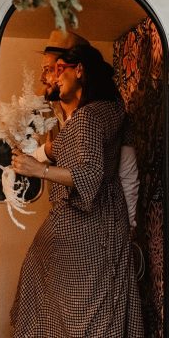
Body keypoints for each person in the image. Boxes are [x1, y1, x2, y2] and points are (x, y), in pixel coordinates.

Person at [8, 44, 151, 338]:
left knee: (80, 313)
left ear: (79, 70)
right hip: (107, 222)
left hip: (84, 225)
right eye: (46, 69)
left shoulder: (85, 119)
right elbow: (126, 170)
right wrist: (128, 225)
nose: (49, 76)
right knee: (82, 306)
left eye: (57, 69)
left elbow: (89, 172)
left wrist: (37, 169)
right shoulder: (108, 111)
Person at [35, 30, 139, 229]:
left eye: (51, 69)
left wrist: (128, 225)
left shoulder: (103, 112)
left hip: (98, 224)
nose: (44, 78)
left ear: (77, 69)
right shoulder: (51, 111)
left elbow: (127, 172)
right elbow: (53, 150)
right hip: (67, 222)